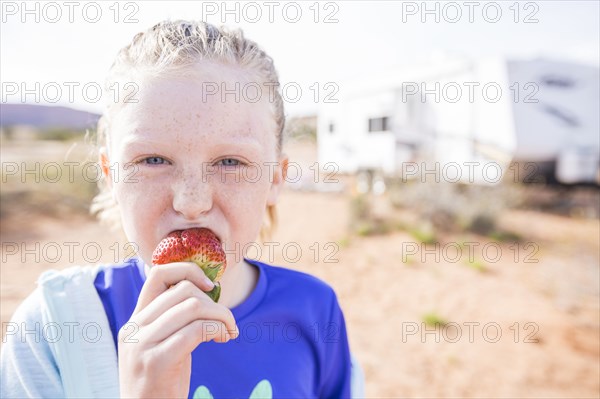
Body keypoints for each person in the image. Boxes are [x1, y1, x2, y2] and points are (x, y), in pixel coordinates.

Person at [1, 20, 363, 398]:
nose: (191, 203)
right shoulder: (55, 328)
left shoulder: (316, 312)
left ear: (275, 178)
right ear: (110, 176)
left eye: (230, 162)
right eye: (154, 159)